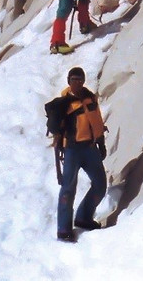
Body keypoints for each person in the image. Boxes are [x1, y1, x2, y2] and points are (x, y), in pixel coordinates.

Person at [48, 66, 108, 242]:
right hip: (72, 150)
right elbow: (56, 128)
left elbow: (96, 120)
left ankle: (83, 217)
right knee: (68, 189)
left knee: (100, 184)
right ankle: (63, 229)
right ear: (68, 81)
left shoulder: (90, 98)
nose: (78, 83)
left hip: (90, 148)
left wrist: (101, 141)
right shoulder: (63, 103)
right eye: (74, 79)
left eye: (80, 79)